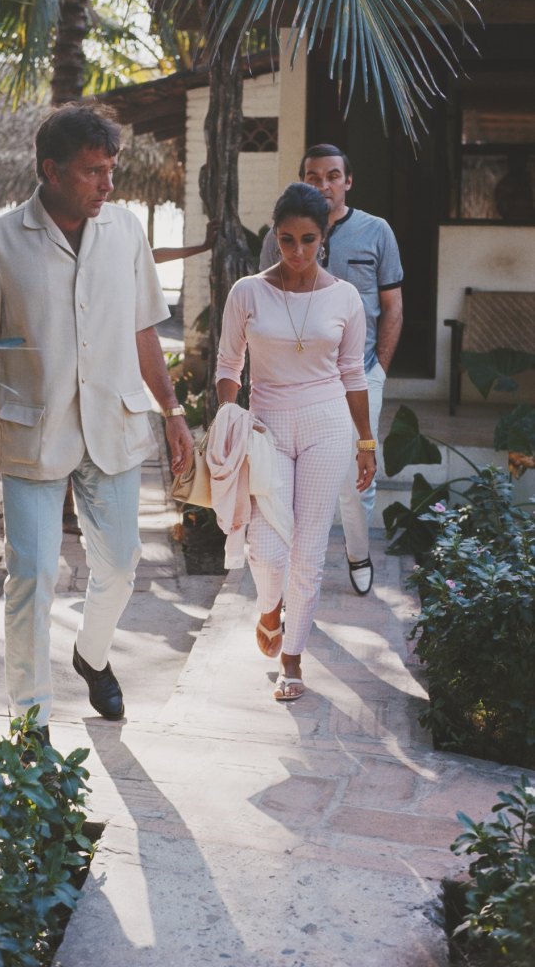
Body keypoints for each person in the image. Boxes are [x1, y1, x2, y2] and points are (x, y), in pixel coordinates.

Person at [0, 102, 193, 743]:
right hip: (35, 431)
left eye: (111, 169)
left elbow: (144, 329)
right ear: (51, 170)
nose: (107, 184)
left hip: (113, 424)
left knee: (121, 564)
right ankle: (29, 721)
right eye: (93, 171)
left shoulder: (126, 231)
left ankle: (91, 654)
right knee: (31, 576)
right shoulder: (0, 241)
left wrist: (173, 412)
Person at [216, 183, 376, 701]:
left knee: (308, 550)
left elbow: (353, 373)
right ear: (275, 236)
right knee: (266, 547)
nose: (298, 252)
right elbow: (228, 364)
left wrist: (366, 442)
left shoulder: (345, 297)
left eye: (309, 240)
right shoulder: (247, 292)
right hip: (267, 428)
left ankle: (293, 659)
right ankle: (269, 609)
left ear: (323, 237)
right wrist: (227, 418)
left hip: (328, 425)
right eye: (287, 240)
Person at [259, 144, 403, 596]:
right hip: (298, 382)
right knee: (292, 481)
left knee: (354, 479)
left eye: (333, 176)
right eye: (313, 176)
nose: (323, 184)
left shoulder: (376, 231)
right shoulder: (279, 235)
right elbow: (264, 306)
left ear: (348, 181)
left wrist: (379, 369)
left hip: (360, 373)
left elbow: (393, 306)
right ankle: (293, 572)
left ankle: (358, 552)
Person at [62, 218, 218, 535]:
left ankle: (82, 512)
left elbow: (152, 254)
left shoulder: (118, 234)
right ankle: (66, 509)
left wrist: (201, 247)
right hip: (67, 350)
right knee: (65, 429)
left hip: (105, 357)